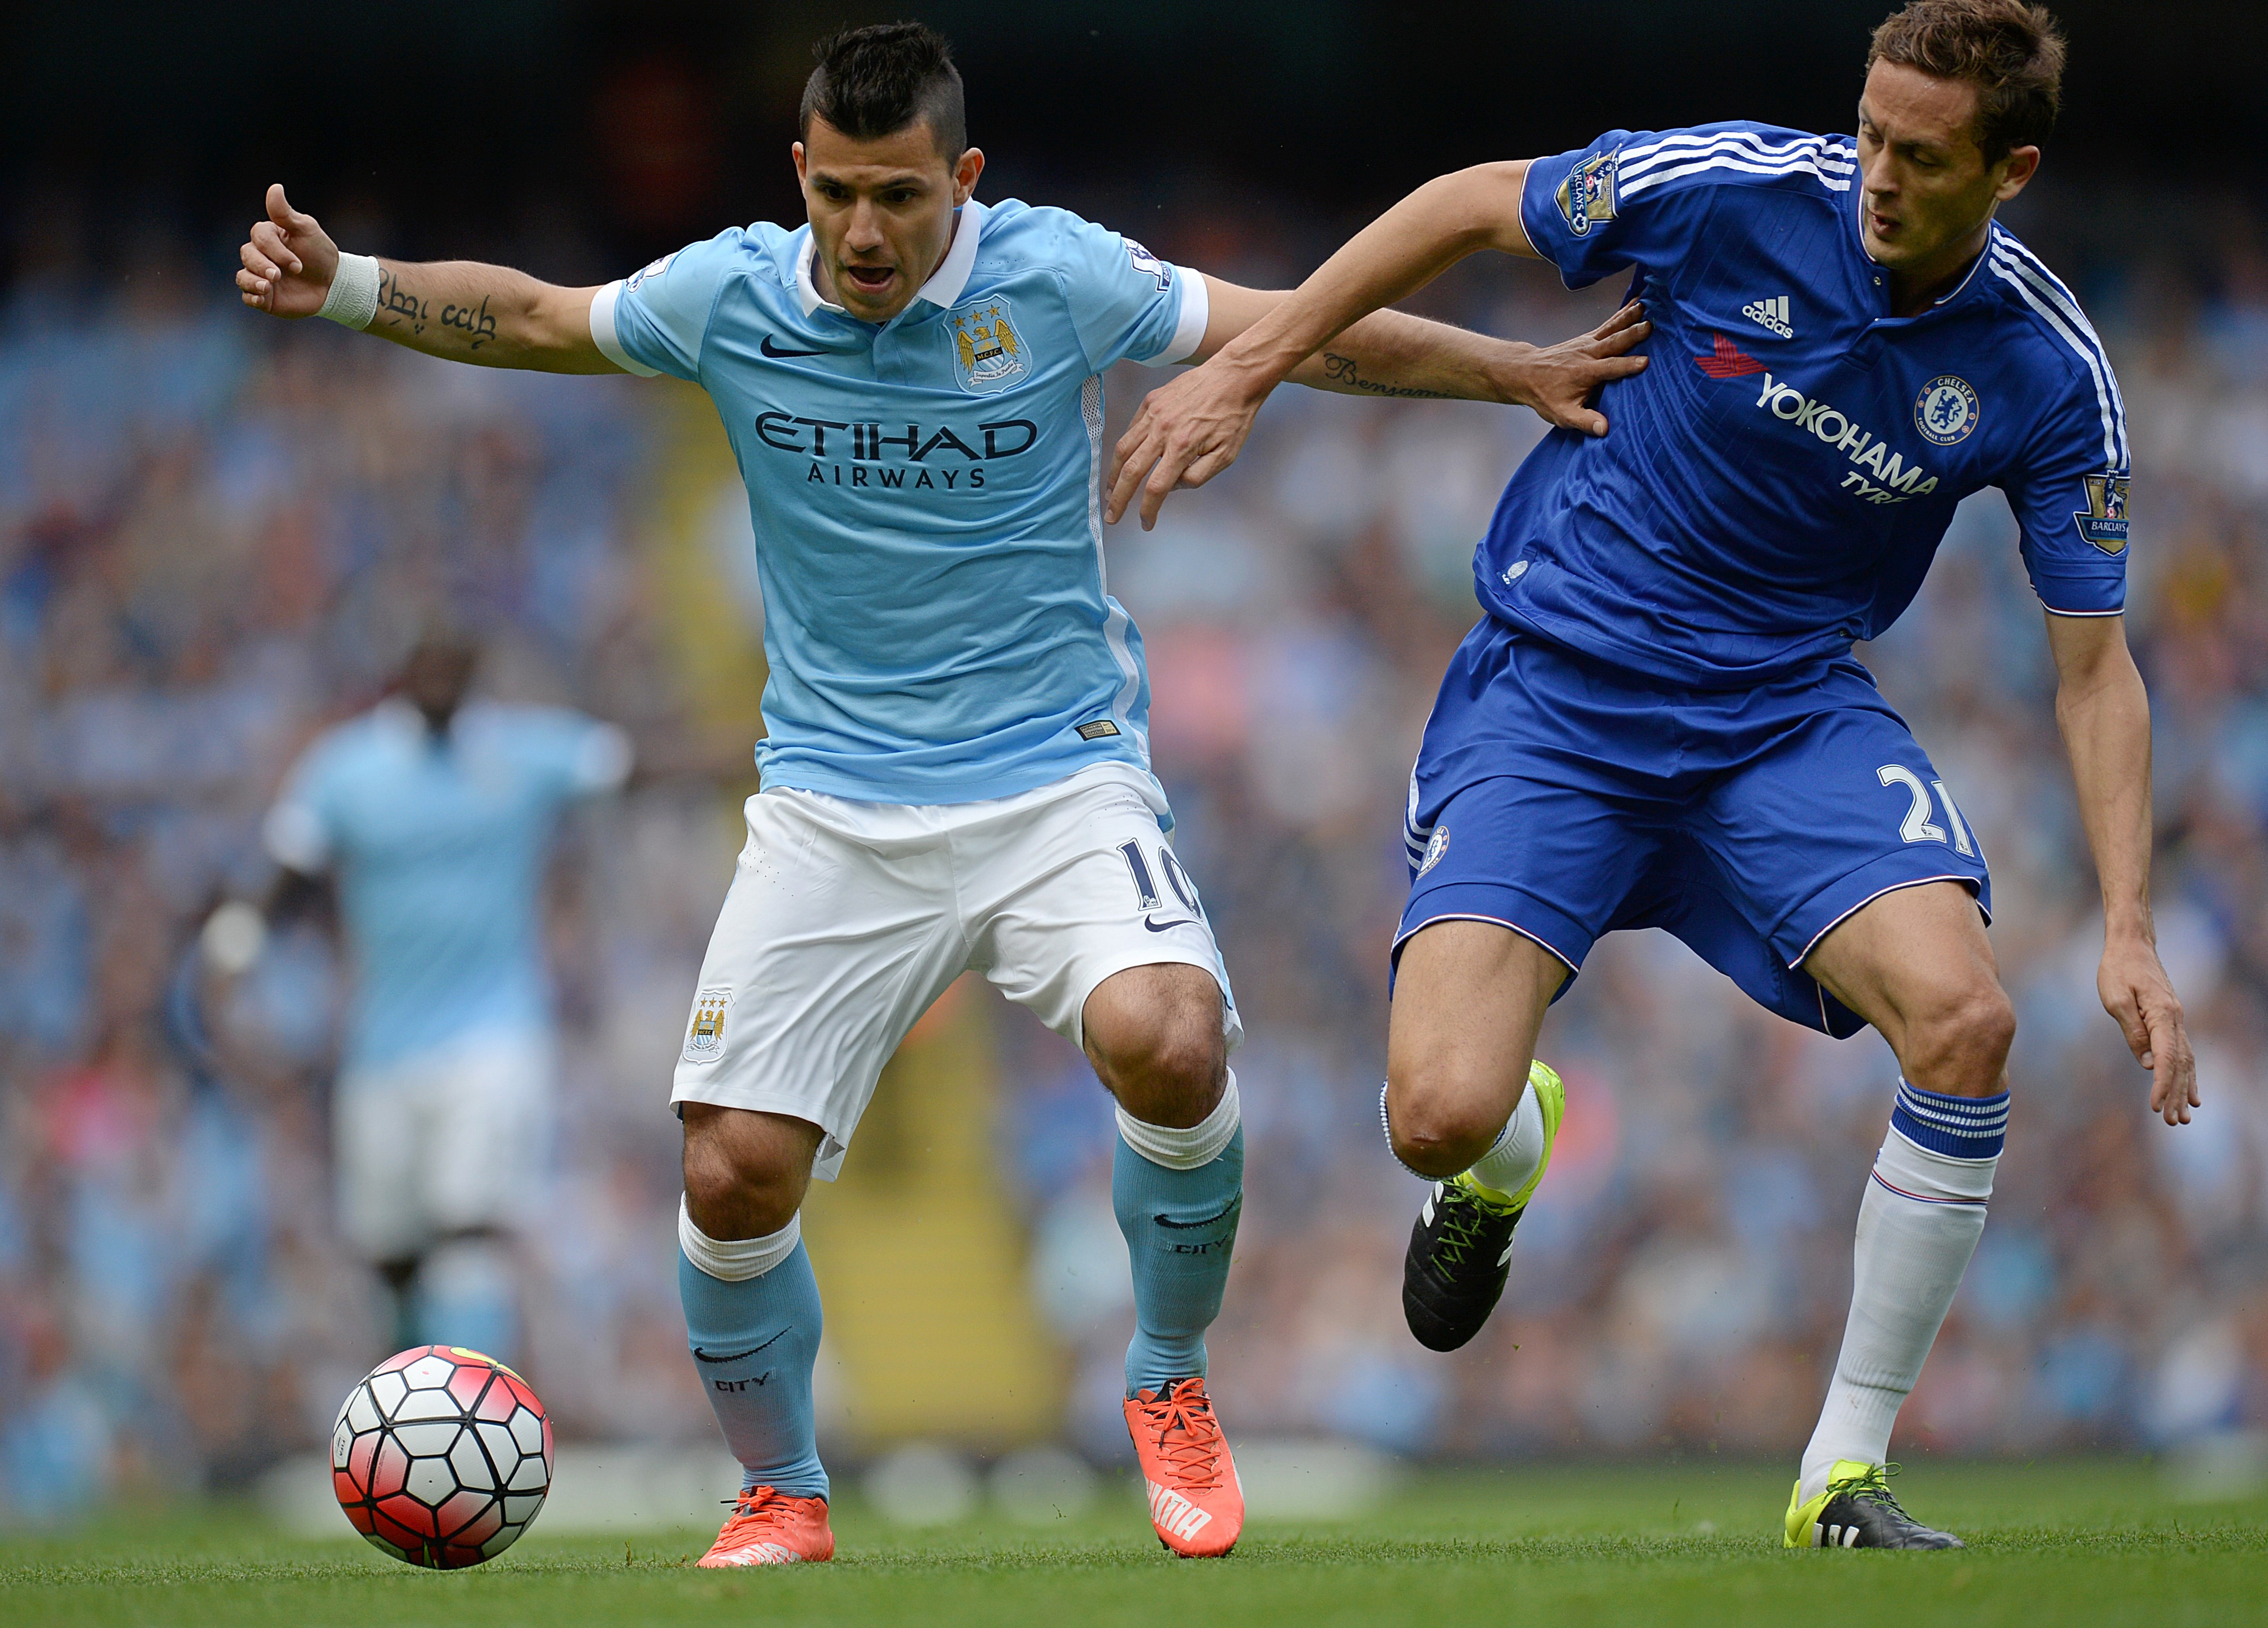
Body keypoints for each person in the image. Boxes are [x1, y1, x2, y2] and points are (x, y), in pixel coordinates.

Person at [234, 21, 1643, 1565]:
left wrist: (1506, 369)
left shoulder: (1058, 279)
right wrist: (349, 286)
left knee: (1167, 1040)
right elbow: (535, 317)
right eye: (834, 192)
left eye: (897, 195)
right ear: (797, 177)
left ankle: (1166, 1385)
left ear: (961, 181)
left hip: (1056, 780)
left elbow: (1295, 330)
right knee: (728, 1165)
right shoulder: (731, 295)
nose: (860, 231)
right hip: (833, 805)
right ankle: (781, 1490)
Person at [1106, 0, 2197, 1549]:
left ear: (2007, 170)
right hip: (1557, 693)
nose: (1875, 175)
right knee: (1429, 1112)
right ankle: (1501, 1161)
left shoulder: (2040, 366)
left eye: (1921, 156)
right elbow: (1468, 202)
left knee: (1964, 1021)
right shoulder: (1735, 189)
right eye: (1870, 133)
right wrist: (1258, 366)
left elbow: (2093, 664)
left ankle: (1841, 1470)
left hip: (1780, 720)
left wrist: (2128, 919)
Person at [210, 631, 632, 1365]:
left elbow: (634, 764)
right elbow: (287, 866)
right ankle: (409, 1426)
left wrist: (783, 752)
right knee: (392, 1254)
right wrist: (234, 943)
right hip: (383, 1043)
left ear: (475, 671)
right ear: (400, 672)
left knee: (470, 1232)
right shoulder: (346, 770)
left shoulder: (519, 751)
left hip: (495, 1032)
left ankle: (472, 1420)